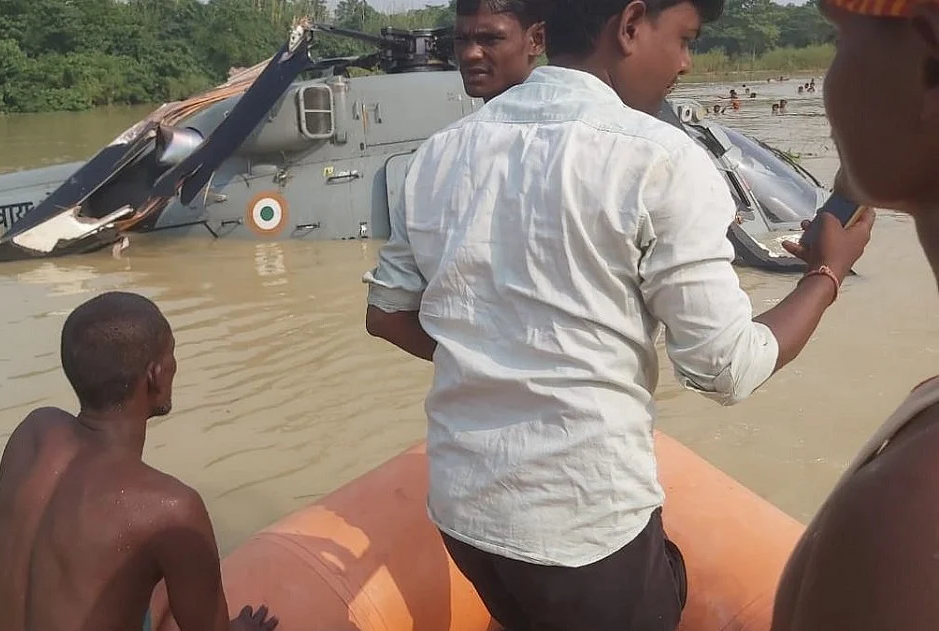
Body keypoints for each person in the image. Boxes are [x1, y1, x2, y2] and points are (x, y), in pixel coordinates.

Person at [361, 0, 875, 627]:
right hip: (582, 531)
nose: (686, 62)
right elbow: (726, 368)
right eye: (684, 38)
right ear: (629, 25)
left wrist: (499, 352)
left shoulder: (438, 155)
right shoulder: (660, 158)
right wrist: (828, 274)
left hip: (464, 510)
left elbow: (386, 312)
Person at [770, 0, 939, 629]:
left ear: (929, 62)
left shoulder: (911, 510)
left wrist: (826, 270)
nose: (830, 86)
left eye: (839, 41)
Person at [0, 291, 277, 631]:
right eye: (172, 354)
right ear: (155, 375)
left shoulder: (31, 434)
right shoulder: (171, 509)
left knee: (157, 576)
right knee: (175, 563)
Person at [453, 0, 545, 102]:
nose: (470, 54)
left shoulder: (556, 115)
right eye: (460, 39)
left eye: (491, 39)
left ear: (537, 41)